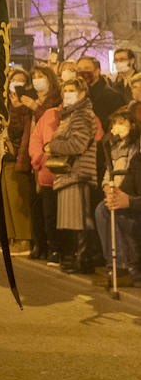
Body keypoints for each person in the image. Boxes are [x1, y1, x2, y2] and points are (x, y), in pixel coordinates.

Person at [47, 77, 102, 274]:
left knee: (80, 219)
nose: (67, 93)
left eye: (71, 90)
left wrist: (52, 146)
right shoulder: (69, 115)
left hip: (78, 173)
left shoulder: (81, 114)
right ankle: (76, 257)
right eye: (65, 90)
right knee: (72, 219)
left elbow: (77, 145)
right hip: (68, 173)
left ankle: (84, 258)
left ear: (82, 93)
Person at [95, 110, 139, 286]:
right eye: (115, 124)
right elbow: (108, 173)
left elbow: (131, 177)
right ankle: (114, 264)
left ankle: (123, 265)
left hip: (130, 195)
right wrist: (108, 188)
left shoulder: (135, 149)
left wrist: (123, 196)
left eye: (123, 123)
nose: (118, 127)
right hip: (118, 192)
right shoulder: (112, 148)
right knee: (102, 209)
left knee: (108, 210)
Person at [27, 67, 65, 263]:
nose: (36, 80)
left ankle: (56, 248)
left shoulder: (66, 114)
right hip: (42, 168)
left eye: (41, 77)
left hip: (61, 170)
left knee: (57, 213)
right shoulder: (49, 113)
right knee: (42, 210)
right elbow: (35, 139)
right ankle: (42, 244)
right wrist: (39, 158)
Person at [2, 69, 36, 253]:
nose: (17, 84)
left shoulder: (27, 106)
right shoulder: (5, 103)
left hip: (19, 156)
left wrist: (18, 108)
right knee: (8, 199)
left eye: (21, 81)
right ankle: (13, 238)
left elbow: (20, 129)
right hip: (5, 155)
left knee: (18, 199)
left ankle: (24, 239)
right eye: (14, 80)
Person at [78, 56, 124, 124]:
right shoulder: (79, 95)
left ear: (97, 71)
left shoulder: (112, 96)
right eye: (79, 69)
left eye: (87, 68)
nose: (82, 72)